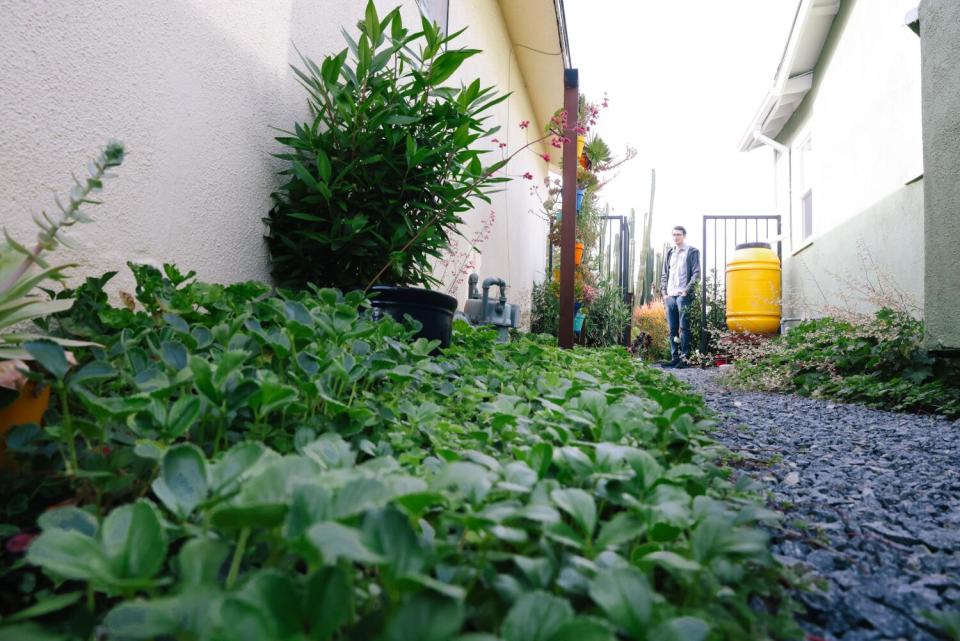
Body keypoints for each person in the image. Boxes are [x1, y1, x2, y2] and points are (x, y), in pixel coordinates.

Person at [659, 226, 700, 368]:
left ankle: (685, 358)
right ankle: (674, 357)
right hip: (670, 295)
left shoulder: (692, 252)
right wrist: (664, 293)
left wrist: (687, 291)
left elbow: (696, 273)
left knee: (684, 328)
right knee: (672, 328)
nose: (676, 237)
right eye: (674, 235)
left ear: (684, 236)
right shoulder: (670, 253)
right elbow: (664, 274)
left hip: (683, 295)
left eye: (679, 234)